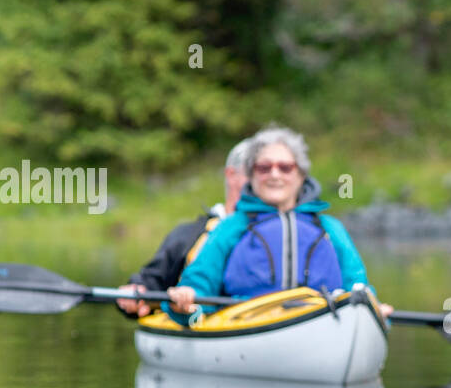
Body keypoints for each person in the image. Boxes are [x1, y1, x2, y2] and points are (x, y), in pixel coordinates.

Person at [165, 126, 392, 321]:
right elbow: (199, 285)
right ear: (252, 175)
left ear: (301, 174)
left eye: (285, 167)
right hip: (246, 322)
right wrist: (184, 304)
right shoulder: (231, 227)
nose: (275, 175)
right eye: (264, 168)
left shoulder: (330, 228)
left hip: (323, 319)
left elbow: (358, 286)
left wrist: (374, 311)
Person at [114, 138, 251, 318]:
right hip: (201, 321)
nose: (271, 177)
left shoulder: (278, 231)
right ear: (232, 175)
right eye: (258, 171)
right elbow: (154, 280)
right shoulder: (190, 234)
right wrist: (138, 290)